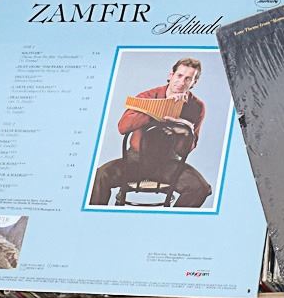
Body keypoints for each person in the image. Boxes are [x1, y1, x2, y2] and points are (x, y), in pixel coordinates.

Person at [88, 58, 212, 207]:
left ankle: (172, 220)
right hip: (135, 162)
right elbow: (123, 127)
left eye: (188, 79)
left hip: (168, 165)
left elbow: (184, 150)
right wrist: (158, 110)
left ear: (193, 83)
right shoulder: (147, 96)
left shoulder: (197, 106)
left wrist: (185, 131)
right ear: (171, 75)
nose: (181, 82)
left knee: (201, 188)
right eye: (179, 75)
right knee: (100, 176)